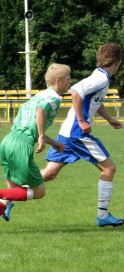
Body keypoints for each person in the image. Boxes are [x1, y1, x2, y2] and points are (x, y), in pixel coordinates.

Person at [0, 63, 72, 233]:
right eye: (68, 79)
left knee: (12, 191)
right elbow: (41, 111)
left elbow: (29, 119)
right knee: (39, 191)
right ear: (58, 81)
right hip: (21, 145)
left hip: (9, 140)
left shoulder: (38, 95)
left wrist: (52, 142)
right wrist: (42, 136)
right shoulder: (55, 98)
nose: (70, 82)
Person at [41, 43, 123, 227]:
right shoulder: (101, 78)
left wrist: (110, 119)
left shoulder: (100, 76)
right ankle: (103, 215)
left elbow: (94, 101)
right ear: (117, 62)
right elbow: (76, 91)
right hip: (77, 134)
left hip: (67, 132)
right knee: (109, 169)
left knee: (49, 173)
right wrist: (82, 121)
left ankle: (7, 196)